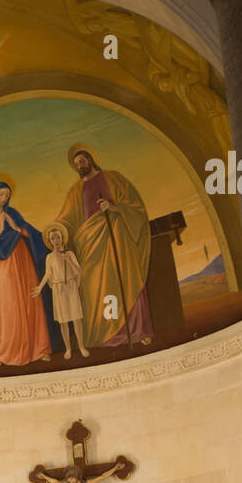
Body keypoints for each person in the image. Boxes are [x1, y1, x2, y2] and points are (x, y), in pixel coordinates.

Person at [55, 145, 153, 349]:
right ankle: (104, 336)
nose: (80, 165)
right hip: (90, 243)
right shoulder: (75, 191)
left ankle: (138, 331)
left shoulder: (113, 178)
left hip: (118, 235)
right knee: (93, 287)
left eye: (82, 160)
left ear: (91, 159)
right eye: (76, 164)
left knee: (126, 279)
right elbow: (67, 219)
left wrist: (114, 207)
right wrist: (58, 232)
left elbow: (136, 207)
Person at [0, 177, 60, 369]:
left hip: (23, 259)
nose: (4, 198)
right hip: (4, 264)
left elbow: (30, 234)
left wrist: (16, 228)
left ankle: (40, 349)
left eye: (7, 195)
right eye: (1, 194)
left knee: (31, 302)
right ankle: (4, 353)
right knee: (10, 307)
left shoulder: (13, 212)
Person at [32, 222, 89, 359]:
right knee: (63, 321)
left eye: (58, 237)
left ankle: (81, 346)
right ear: (50, 241)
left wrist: (68, 260)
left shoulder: (69, 253)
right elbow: (47, 274)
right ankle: (68, 349)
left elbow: (79, 271)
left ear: (62, 238)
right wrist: (40, 287)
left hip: (70, 287)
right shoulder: (49, 257)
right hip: (58, 289)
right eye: (53, 238)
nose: (56, 241)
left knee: (76, 318)